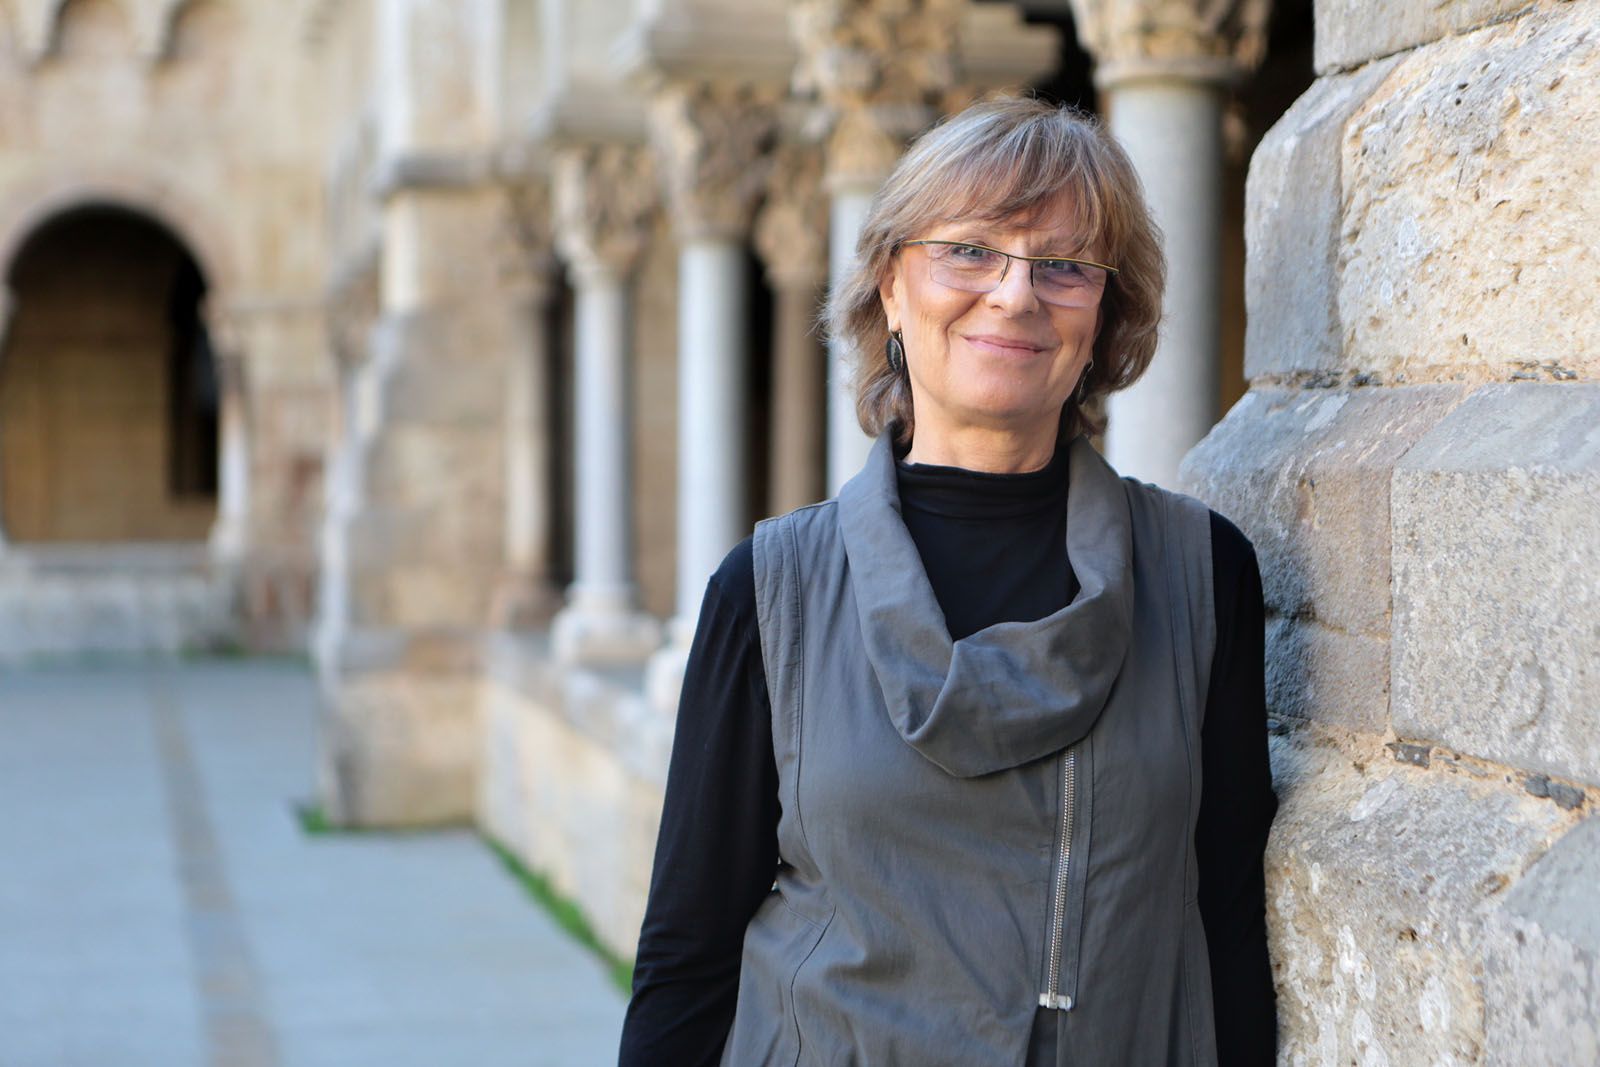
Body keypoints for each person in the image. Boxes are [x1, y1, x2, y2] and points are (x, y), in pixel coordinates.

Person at [618, 96, 1276, 1066]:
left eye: (1062, 265)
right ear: (890, 285)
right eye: (968, 250)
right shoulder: (771, 591)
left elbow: (1226, 916)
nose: (1014, 295)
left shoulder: (1200, 572)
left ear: (1103, 317)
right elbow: (687, 948)